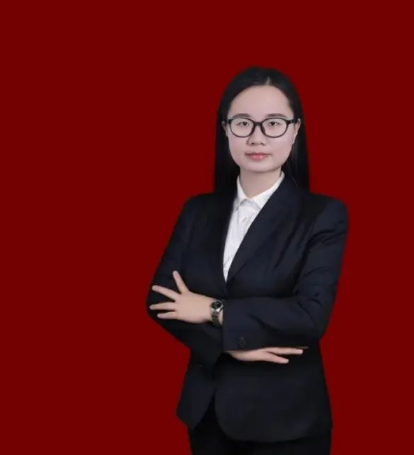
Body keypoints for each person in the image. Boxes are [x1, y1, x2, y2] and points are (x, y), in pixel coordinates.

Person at [146, 66, 349, 455]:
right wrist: (226, 346)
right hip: (207, 415)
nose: (257, 137)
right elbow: (160, 299)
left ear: (295, 130)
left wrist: (213, 309)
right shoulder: (197, 211)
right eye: (243, 123)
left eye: (273, 123)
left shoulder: (322, 215)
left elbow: (309, 315)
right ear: (225, 130)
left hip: (287, 422)